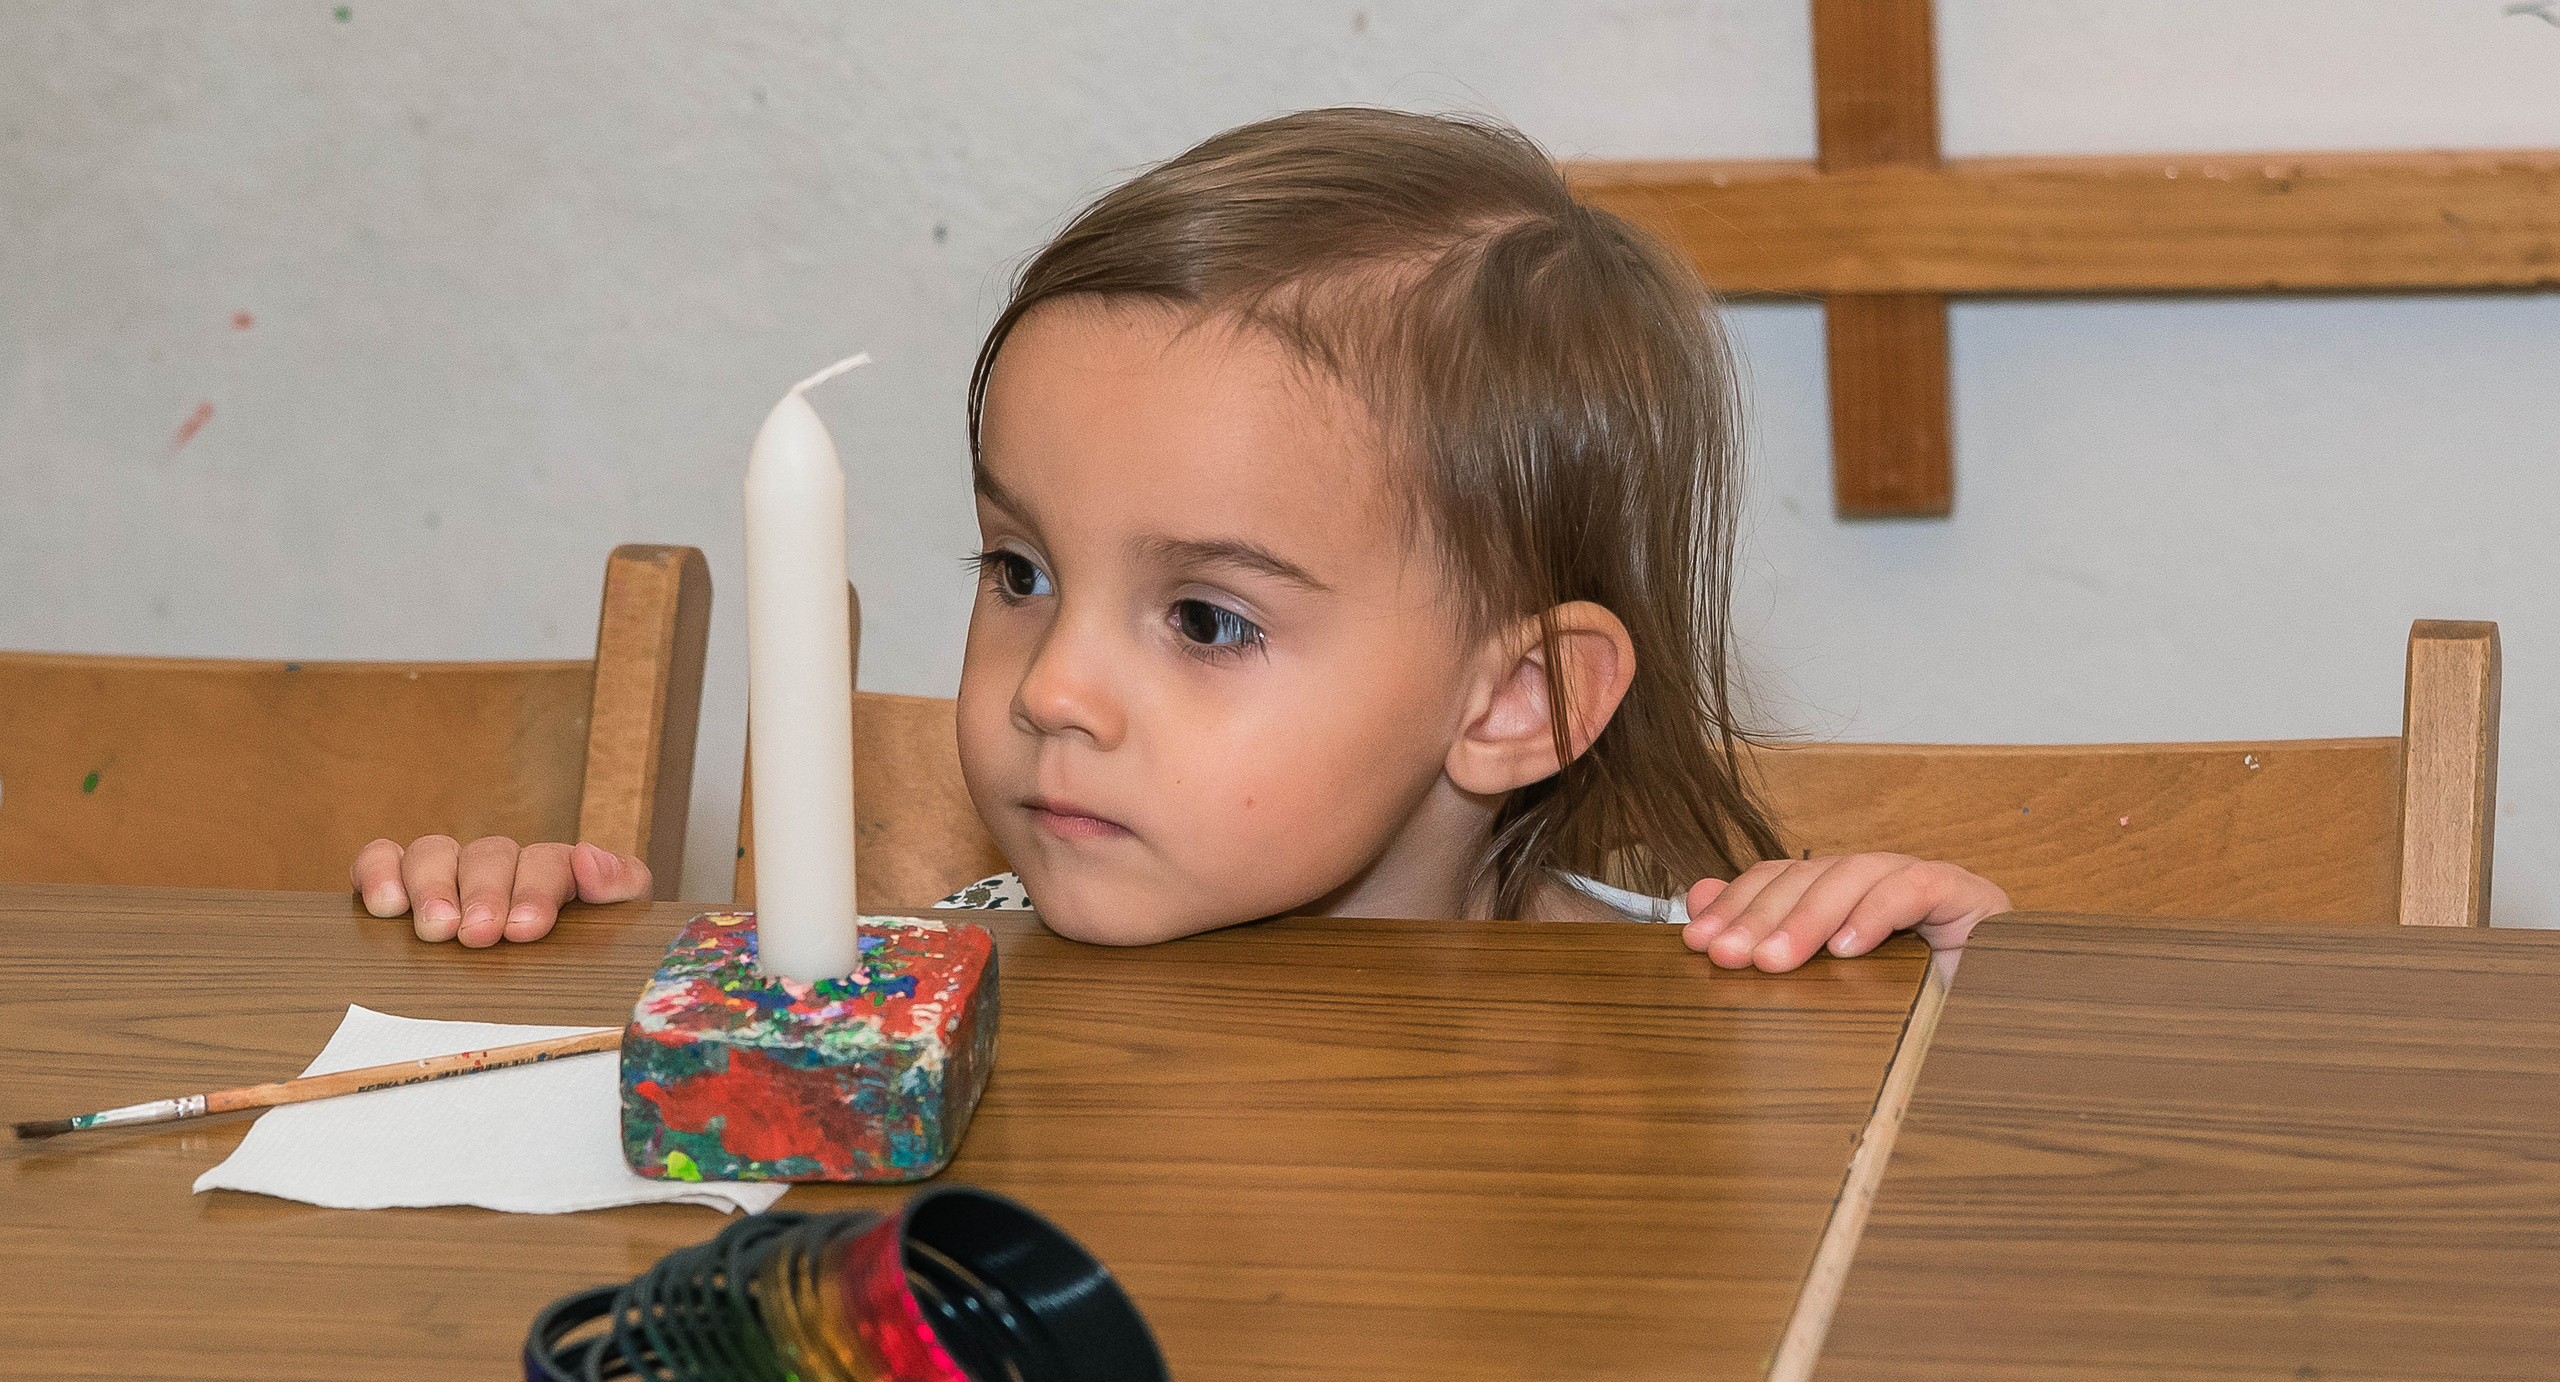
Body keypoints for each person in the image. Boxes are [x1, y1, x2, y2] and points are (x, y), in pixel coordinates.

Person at [352, 108, 2006, 972]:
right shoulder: (944, 967)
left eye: (1206, 618)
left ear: (1516, 701)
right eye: (1021, 572)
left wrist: (1925, 964)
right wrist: (531, 935)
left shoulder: (1681, 1014)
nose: (1052, 687)